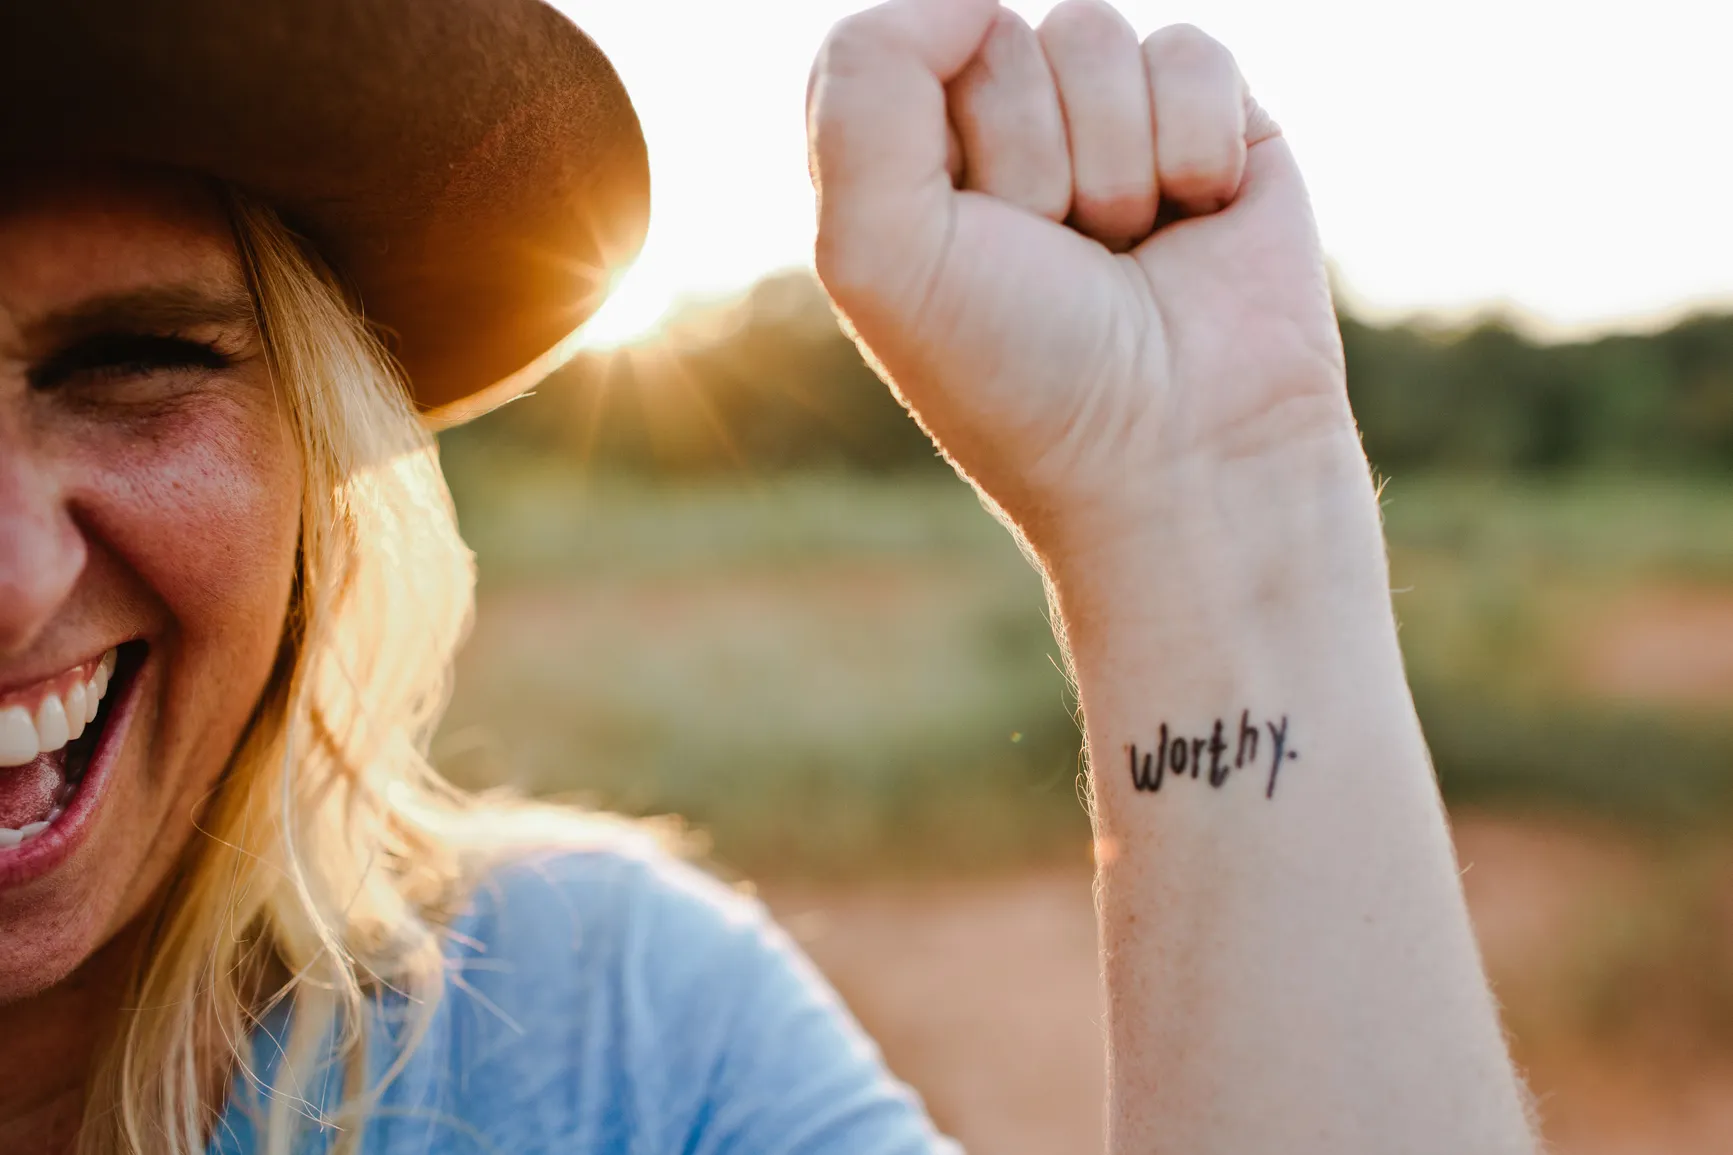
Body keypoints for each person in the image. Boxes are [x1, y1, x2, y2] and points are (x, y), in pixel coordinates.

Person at [0, 0, 1539, 1151]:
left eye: (132, 361)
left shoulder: (587, 1038)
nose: (12, 581)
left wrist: (1205, 522)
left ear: (315, 450)